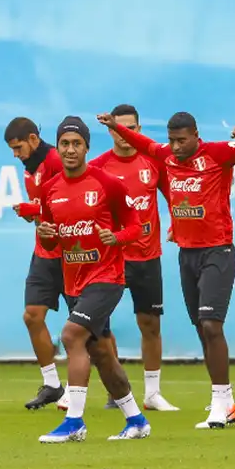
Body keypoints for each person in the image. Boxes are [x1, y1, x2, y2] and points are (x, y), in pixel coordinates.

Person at [97, 111, 235, 429]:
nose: (175, 147)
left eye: (181, 140)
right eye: (171, 140)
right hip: (186, 254)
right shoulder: (166, 155)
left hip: (218, 251)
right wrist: (114, 126)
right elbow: (145, 144)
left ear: (195, 135)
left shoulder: (218, 153)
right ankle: (226, 402)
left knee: (211, 325)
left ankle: (220, 404)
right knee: (202, 329)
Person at [29, 116, 151, 443]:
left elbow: (136, 226)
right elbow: (51, 244)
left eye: (77, 144)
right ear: (58, 147)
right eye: (65, 143)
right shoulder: (50, 190)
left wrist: (117, 237)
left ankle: (74, 422)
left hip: (107, 278)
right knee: (101, 354)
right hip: (74, 283)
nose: (70, 150)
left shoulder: (107, 184)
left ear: (86, 147)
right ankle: (136, 420)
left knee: (72, 336)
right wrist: (46, 235)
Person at [89, 104, 179, 412]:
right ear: (110, 130)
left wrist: (177, 224)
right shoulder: (99, 167)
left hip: (146, 256)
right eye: (118, 128)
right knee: (100, 325)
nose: (124, 134)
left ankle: (152, 394)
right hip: (110, 258)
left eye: (131, 128)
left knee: (149, 323)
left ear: (139, 130)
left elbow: (173, 196)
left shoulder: (153, 162)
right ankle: (117, 391)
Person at [6, 117, 70, 410]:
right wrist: (33, 214)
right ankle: (53, 385)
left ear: (33, 139)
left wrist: (36, 209)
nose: (15, 154)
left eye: (18, 147)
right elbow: (44, 214)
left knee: (88, 327)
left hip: (72, 253)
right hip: (45, 253)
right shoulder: (30, 170)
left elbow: (69, 203)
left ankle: (109, 389)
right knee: (32, 316)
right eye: (12, 149)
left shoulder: (56, 161)